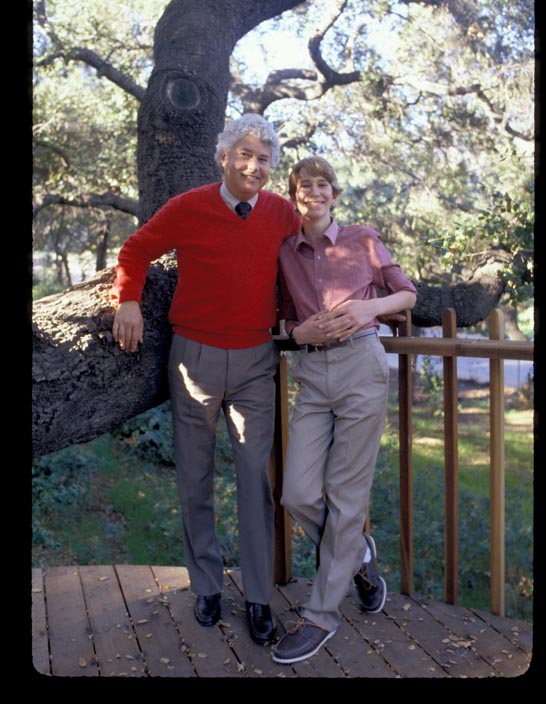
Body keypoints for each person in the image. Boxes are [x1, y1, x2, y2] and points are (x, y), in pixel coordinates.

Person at [112, 114, 300, 646]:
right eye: (245, 155)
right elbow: (135, 250)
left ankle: (258, 596)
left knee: (254, 477)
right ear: (223, 157)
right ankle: (207, 585)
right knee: (195, 477)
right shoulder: (187, 207)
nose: (254, 166)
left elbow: (316, 253)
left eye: (263, 159)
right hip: (194, 356)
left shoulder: (282, 213)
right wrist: (127, 300)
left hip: (256, 359)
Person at [272, 156, 417, 664]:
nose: (314, 192)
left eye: (322, 185)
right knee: (297, 493)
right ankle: (356, 554)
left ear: (334, 194)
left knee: (345, 494)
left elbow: (407, 292)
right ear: (294, 196)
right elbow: (281, 320)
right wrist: (297, 333)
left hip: (361, 366)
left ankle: (320, 616)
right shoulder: (284, 251)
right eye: (304, 185)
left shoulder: (363, 239)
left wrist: (368, 308)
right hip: (313, 375)